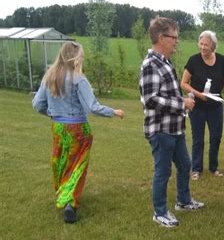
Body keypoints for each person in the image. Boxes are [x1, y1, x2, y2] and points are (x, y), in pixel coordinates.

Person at [32, 41, 124, 224]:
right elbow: (92, 106)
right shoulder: (78, 78)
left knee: (61, 162)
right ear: (74, 57)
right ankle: (70, 203)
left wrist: (53, 113)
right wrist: (113, 112)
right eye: (81, 55)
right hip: (78, 130)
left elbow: (37, 104)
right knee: (77, 166)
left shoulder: (49, 76)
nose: (82, 59)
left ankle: (63, 194)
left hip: (58, 128)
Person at [139, 16, 204, 228]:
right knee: (163, 171)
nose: (177, 41)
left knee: (185, 165)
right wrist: (181, 103)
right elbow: (150, 100)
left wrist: (182, 102)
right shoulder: (150, 65)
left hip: (175, 129)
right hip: (161, 131)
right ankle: (159, 213)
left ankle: (183, 202)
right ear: (161, 38)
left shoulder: (164, 62)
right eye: (173, 37)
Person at [181, 30, 224, 181]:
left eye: (206, 45)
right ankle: (196, 169)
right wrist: (198, 94)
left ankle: (214, 168)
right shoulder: (193, 61)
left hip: (216, 108)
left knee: (216, 138)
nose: (202, 47)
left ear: (213, 46)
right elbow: (183, 83)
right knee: (198, 139)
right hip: (197, 107)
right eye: (200, 44)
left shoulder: (221, 61)